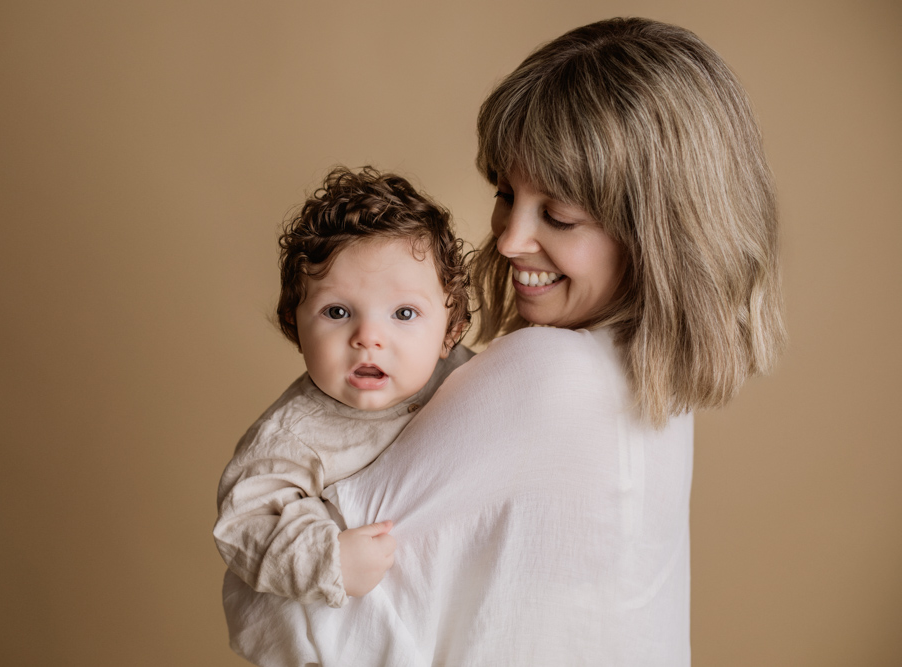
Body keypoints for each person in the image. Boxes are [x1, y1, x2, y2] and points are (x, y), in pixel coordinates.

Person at [221, 17, 785, 666]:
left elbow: (280, 612)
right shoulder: (657, 386)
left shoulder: (552, 375)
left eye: (559, 213)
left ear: (658, 233)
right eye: (506, 193)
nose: (511, 239)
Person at [213, 166, 473, 609]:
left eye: (404, 314)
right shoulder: (292, 435)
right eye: (337, 312)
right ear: (293, 324)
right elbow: (245, 523)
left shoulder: (466, 375)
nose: (368, 337)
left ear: (453, 329)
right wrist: (328, 558)